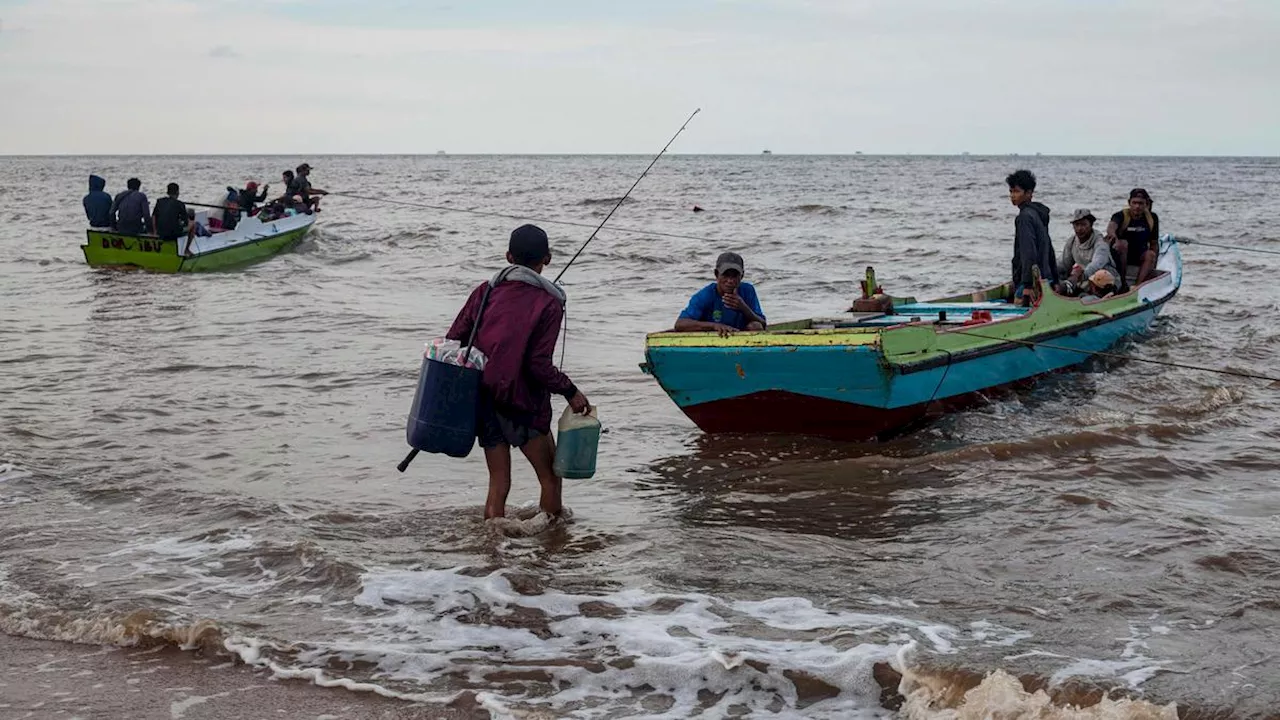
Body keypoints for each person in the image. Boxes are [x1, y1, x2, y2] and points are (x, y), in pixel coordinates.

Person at [444, 224, 590, 522]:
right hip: (522, 403)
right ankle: (551, 551)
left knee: (499, 483)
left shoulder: (486, 290)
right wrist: (570, 391)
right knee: (551, 477)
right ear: (547, 259)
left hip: (483, 398)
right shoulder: (550, 302)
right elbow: (538, 364)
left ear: (508, 256)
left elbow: (454, 340)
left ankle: (493, 552)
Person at [674, 251, 767, 337]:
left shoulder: (748, 290)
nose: (730, 281)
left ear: (742, 276)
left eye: (735, 276)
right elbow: (680, 324)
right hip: (713, 338)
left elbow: (762, 324)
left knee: (755, 326)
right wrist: (715, 326)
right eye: (725, 275)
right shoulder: (706, 295)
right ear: (716, 274)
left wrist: (743, 308)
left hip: (741, 337)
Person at [1005, 169, 1059, 306]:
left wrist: (1027, 286)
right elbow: (1048, 246)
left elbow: (1028, 253)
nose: (1012, 196)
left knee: (1018, 308)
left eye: (1017, 191)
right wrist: (1055, 279)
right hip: (1046, 279)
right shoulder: (1038, 214)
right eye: (1011, 191)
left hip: (1032, 283)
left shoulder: (1024, 218)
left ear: (1029, 193)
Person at [1105, 188, 1159, 287]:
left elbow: (1154, 243)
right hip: (1121, 256)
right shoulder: (1121, 215)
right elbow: (1111, 227)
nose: (1137, 206)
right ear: (1129, 203)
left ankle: (1138, 286)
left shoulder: (1152, 218)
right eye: (1134, 203)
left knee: (1151, 254)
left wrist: (1153, 267)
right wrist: (1113, 236)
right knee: (1123, 244)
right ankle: (1122, 282)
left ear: (1146, 204)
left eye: (1141, 203)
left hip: (1140, 255)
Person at [1057, 209, 1118, 294]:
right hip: (1085, 281)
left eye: (1083, 224)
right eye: (1076, 225)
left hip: (1106, 282)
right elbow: (1063, 263)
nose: (1080, 228)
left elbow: (1097, 264)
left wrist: (1080, 275)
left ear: (1091, 225)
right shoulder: (1072, 241)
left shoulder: (1100, 243)